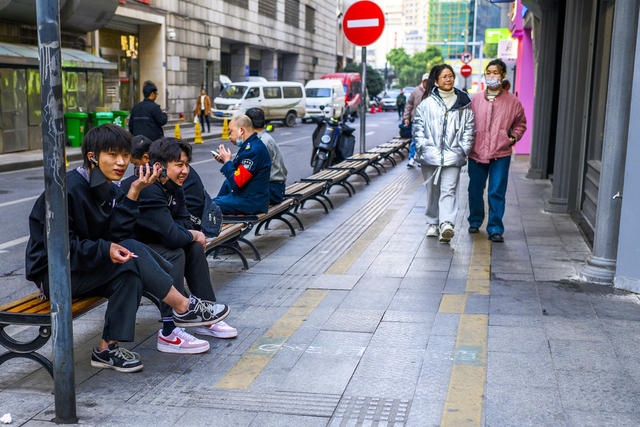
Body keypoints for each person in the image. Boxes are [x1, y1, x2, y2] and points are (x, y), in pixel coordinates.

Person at [25, 124, 228, 373]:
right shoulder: (66, 191)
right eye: (113, 155)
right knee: (131, 253)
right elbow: (61, 250)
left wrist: (133, 192)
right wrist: (105, 250)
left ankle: (106, 349)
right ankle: (183, 307)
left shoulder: (110, 188)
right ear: (92, 157)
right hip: (55, 273)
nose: (121, 162)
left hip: (86, 265)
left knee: (130, 270)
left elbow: (118, 235)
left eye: (124, 154)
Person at [136, 138, 236, 353]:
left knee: (193, 247)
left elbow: (182, 223)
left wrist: (190, 235)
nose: (185, 170)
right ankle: (169, 331)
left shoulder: (174, 187)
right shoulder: (148, 188)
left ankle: (206, 314)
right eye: (179, 165)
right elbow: (173, 235)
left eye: (186, 164)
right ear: (159, 166)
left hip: (155, 241)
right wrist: (191, 234)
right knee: (175, 252)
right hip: (134, 248)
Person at [413, 64, 475, 243]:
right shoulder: (426, 104)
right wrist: (422, 147)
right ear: (437, 81)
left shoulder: (463, 104)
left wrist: (463, 149)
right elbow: (418, 128)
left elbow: (469, 129)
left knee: (449, 190)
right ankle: (432, 222)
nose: (449, 79)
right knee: (433, 191)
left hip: (454, 156)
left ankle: (446, 224)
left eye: (451, 76)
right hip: (430, 156)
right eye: (444, 77)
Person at [468, 59, 526, 242]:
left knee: (496, 191)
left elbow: (520, 123)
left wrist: (513, 138)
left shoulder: (512, 101)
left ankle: (495, 228)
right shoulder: (475, 99)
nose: (492, 76)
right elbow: (466, 122)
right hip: (476, 152)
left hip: (500, 153)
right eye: (489, 72)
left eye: (495, 73)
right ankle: (475, 220)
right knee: (475, 189)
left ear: (502, 76)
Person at [212, 115, 271, 215]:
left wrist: (227, 162)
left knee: (211, 205)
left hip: (251, 202)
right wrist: (226, 161)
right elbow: (240, 172)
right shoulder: (251, 145)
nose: (229, 136)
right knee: (213, 202)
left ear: (241, 130)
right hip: (249, 197)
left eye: (231, 132)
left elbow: (237, 181)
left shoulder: (253, 150)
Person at [245, 107, 288, 204]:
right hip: (274, 187)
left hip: (272, 189)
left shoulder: (261, 142)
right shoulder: (264, 138)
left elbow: (251, 171)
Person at [403, 73, 430, 168]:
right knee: (415, 140)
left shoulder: (432, 91)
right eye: (425, 81)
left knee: (426, 141)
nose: (427, 83)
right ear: (423, 81)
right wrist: (406, 118)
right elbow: (409, 105)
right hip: (416, 120)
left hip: (428, 121)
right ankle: (411, 159)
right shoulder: (415, 91)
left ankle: (421, 158)